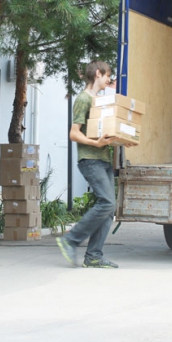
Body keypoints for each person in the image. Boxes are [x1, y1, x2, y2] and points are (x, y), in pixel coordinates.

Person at [56, 60, 120, 268]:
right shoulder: (83, 99)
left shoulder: (99, 101)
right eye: (108, 75)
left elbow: (102, 132)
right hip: (90, 159)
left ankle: (93, 256)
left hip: (103, 159)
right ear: (98, 73)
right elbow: (74, 133)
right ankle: (70, 239)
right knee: (107, 203)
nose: (109, 79)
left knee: (109, 209)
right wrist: (95, 143)